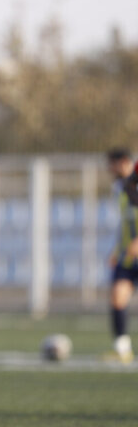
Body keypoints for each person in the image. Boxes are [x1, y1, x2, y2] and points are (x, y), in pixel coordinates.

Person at [105, 148, 138, 363]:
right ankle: (122, 350)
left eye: (111, 163)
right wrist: (118, 250)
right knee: (118, 296)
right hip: (128, 256)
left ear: (123, 162)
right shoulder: (119, 188)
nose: (108, 168)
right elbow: (125, 223)